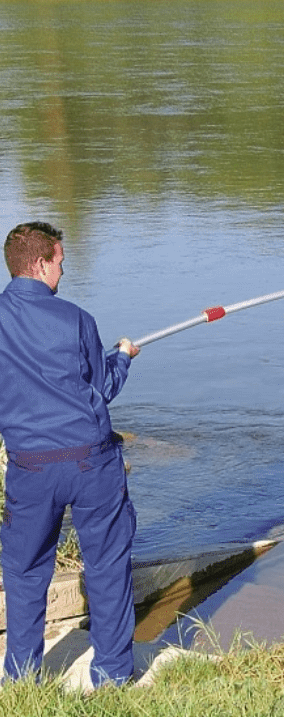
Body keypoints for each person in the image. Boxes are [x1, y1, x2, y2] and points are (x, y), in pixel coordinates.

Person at [0, 221, 140, 687]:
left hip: (30, 467)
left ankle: (21, 679)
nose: (64, 271)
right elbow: (100, 387)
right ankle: (113, 676)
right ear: (40, 264)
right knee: (107, 564)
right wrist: (121, 356)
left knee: (23, 572)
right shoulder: (77, 319)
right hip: (89, 463)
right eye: (60, 262)